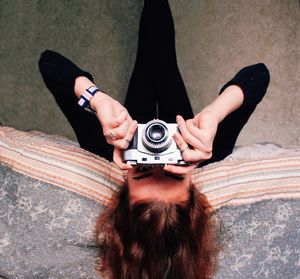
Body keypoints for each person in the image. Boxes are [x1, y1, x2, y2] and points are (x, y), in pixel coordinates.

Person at [38, 0, 270, 278]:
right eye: (173, 171)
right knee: (164, 61)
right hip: (182, 127)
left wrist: (96, 99)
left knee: (145, 61)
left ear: (124, 182)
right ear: (193, 188)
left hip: (131, 124)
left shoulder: (108, 145)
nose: (158, 153)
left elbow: (49, 62)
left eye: (144, 168)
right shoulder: (205, 148)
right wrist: (214, 113)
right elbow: (259, 75)